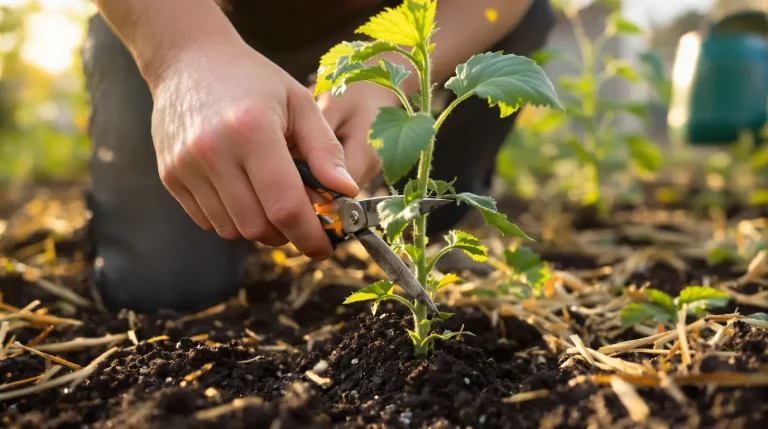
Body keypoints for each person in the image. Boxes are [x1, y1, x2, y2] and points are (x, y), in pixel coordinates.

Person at [83, 0, 556, 313]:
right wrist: (182, 54)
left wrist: (388, 74)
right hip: (178, 20)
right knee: (165, 294)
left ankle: (439, 220)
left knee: (427, 225)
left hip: (416, 30)